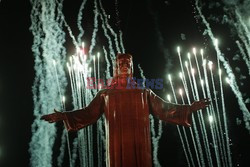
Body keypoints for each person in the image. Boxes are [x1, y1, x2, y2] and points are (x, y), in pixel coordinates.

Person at [41, 53, 210, 167]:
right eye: (120, 63)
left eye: (127, 63)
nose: (124, 66)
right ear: (115, 67)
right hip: (117, 146)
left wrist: (190, 108)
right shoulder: (105, 94)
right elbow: (88, 113)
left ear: (132, 67)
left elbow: (164, 109)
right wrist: (64, 116)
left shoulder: (144, 92)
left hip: (140, 144)